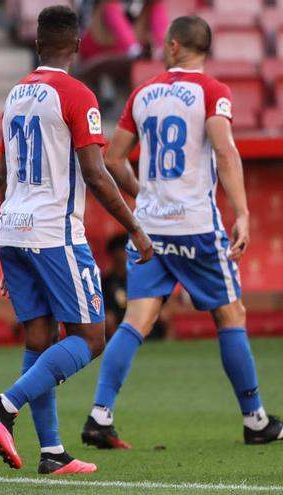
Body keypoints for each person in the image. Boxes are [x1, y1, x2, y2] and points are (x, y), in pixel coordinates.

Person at [82, 15, 283, 450]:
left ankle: (100, 415)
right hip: (195, 225)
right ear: (203, 51)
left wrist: (144, 193)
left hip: (150, 228)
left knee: (136, 319)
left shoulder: (142, 93)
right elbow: (226, 151)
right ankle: (254, 420)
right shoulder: (212, 92)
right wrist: (244, 212)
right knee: (230, 316)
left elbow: (114, 160)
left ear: (172, 46)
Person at [0, 5, 153, 475]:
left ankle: (51, 451)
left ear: (37, 45)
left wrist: (4, 239)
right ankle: (5, 405)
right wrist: (134, 226)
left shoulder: (15, 93)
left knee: (39, 338)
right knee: (92, 336)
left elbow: (2, 170)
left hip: (14, 226)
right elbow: (94, 172)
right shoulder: (77, 94)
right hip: (55, 232)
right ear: (77, 45)